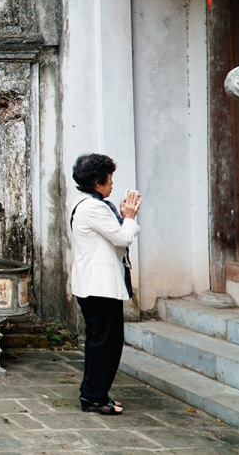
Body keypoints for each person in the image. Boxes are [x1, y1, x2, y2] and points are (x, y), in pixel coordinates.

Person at [69, 153, 142, 416]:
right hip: (98, 287)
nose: (112, 183)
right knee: (106, 343)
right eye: (109, 179)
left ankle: (95, 393)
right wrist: (130, 216)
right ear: (97, 181)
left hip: (95, 285)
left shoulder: (88, 203)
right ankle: (94, 396)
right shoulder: (93, 207)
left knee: (101, 342)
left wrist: (124, 216)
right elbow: (122, 237)